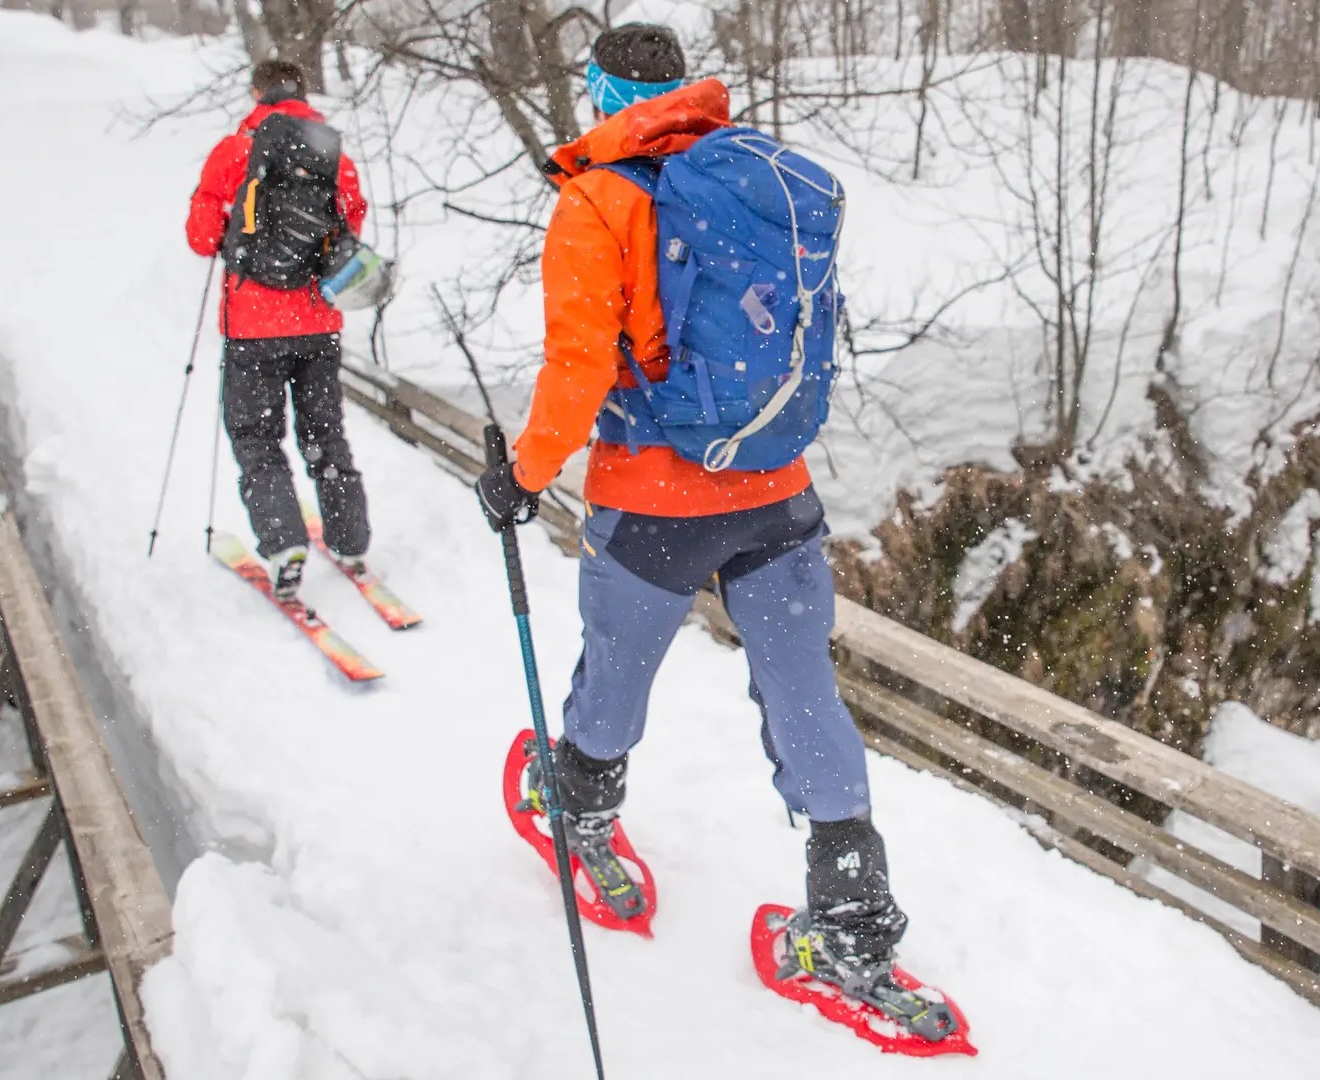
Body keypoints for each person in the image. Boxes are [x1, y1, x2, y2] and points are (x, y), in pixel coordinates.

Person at [476, 23, 951, 1039]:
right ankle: (852, 925)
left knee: (615, 676)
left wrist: (520, 477)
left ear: (601, 94)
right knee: (803, 692)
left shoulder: (597, 197)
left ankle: (584, 813)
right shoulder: (751, 181)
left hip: (654, 503)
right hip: (776, 493)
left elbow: (577, 370)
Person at [186, 58, 371, 600]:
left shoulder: (233, 152)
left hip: (252, 328)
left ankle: (284, 541)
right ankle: (350, 538)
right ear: (304, 94)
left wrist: (234, 232)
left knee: (256, 436)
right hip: (317, 322)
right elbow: (349, 228)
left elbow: (201, 236)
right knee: (324, 431)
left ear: (256, 92)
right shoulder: (335, 156)